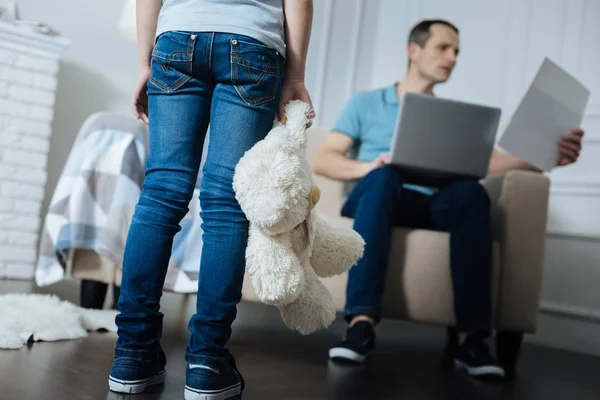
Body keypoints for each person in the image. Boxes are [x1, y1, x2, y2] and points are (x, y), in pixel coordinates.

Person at [313, 19, 584, 378]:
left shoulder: (448, 118)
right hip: (376, 196)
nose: (452, 57)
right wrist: (369, 167)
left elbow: (491, 162)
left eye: (456, 51)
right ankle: (361, 324)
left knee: (470, 192)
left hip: (428, 204)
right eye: (443, 47)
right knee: (385, 177)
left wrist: (551, 155)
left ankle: (471, 339)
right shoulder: (366, 103)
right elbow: (324, 158)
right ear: (414, 50)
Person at [108, 1, 314, 398]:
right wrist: (297, 74)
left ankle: (132, 354)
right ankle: (206, 361)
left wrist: (143, 65)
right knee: (225, 203)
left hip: (177, 39)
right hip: (251, 43)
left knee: (161, 193)